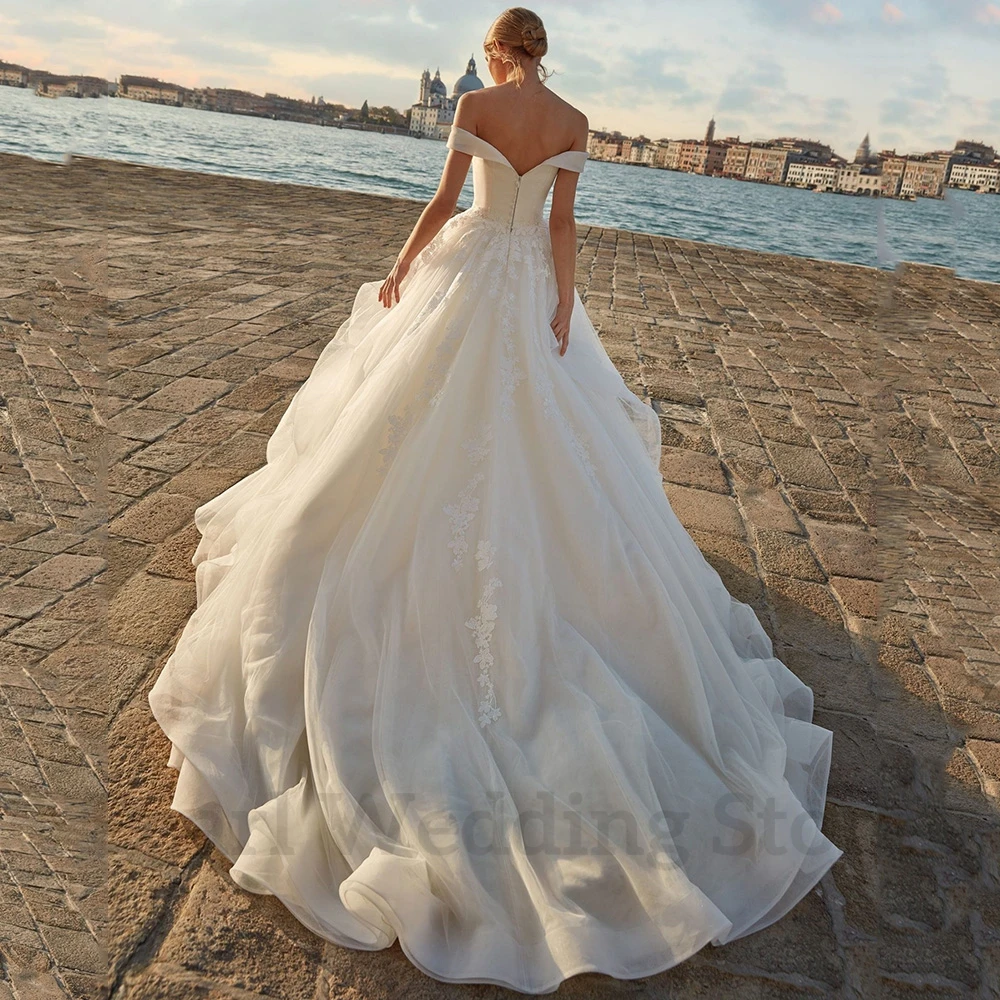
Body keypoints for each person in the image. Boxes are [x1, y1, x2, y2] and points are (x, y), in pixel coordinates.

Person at [147, 6, 843, 993]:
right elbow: (559, 224)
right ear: (542, 52)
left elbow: (443, 205)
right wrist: (561, 303)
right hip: (522, 285)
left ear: (494, 52)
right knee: (545, 446)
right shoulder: (572, 120)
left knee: (394, 431)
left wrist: (399, 271)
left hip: (470, 271)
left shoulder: (475, 104)